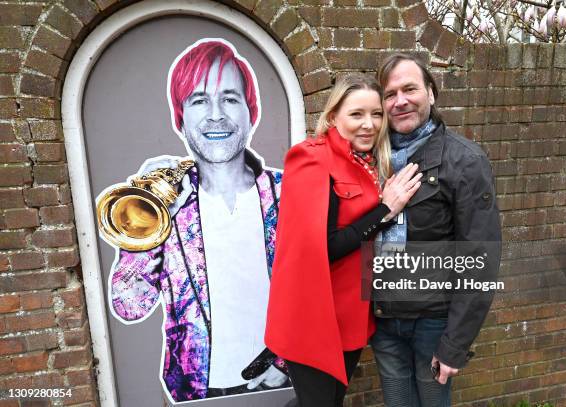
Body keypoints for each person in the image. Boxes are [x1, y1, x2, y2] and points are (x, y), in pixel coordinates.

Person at [106, 39, 288, 403]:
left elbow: (320, 285)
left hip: (284, 384)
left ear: (250, 112)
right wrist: (149, 228)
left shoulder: (288, 192)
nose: (216, 114)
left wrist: (286, 364)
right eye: (199, 100)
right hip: (196, 392)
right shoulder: (164, 203)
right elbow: (129, 305)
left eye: (230, 98)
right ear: (180, 118)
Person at [265, 75, 423, 407]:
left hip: (352, 312)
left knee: (330, 400)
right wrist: (385, 209)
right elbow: (325, 247)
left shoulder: (367, 161)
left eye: (377, 114)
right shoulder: (312, 158)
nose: (369, 124)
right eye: (356, 114)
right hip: (315, 315)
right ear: (334, 116)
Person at [369, 53, 502, 406]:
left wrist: (455, 344)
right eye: (390, 93)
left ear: (431, 93)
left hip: (433, 324)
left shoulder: (465, 161)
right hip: (384, 321)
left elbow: (479, 259)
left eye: (409, 89)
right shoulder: (371, 158)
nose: (400, 101)